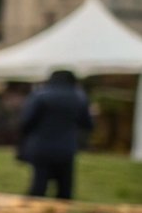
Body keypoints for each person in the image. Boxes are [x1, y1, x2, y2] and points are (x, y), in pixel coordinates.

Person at [17, 69, 93, 199]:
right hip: (66, 148)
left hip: (40, 147)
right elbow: (87, 124)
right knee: (64, 189)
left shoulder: (40, 95)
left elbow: (26, 122)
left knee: (38, 186)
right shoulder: (79, 97)